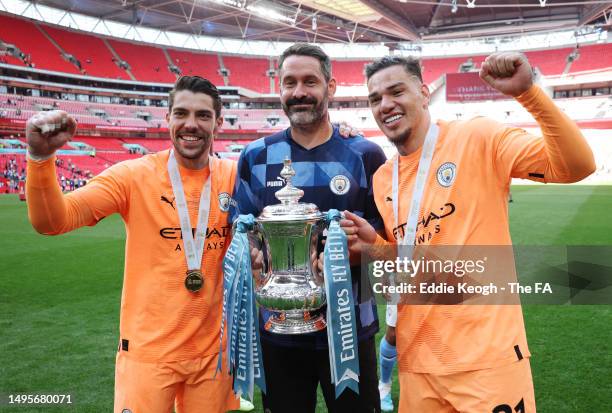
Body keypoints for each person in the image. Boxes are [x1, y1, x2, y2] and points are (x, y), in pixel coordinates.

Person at [340, 53, 595, 412]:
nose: (385, 105)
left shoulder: (477, 136)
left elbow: (576, 165)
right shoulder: (384, 178)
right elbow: (407, 271)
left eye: (396, 91)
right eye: (375, 99)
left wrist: (529, 94)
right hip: (418, 365)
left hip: (485, 361)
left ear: (424, 92)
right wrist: (375, 248)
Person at [24, 76, 240, 413]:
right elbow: (52, 222)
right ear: (167, 118)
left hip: (214, 356)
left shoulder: (235, 175)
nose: (191, 125)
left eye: (203, 116)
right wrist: (40, 158)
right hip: (148, 355)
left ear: (219, 122)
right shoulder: (131, 175)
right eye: (181, 113)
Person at [230, 43, 387, 413]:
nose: (299, 92)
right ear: (279, 89)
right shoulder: (256, 156)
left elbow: (384, 236)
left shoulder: (365, 155)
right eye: (289, 83)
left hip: (351, 329)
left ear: (330, 87)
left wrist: (360, 250)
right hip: (279, 327)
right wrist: (250, 256)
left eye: (310, 81)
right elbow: (243, 231)